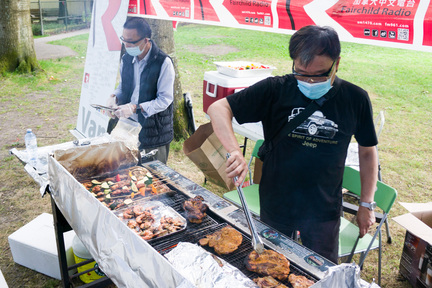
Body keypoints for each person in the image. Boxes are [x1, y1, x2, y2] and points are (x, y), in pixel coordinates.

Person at [207, 25, 378, 264]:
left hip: (323, 210)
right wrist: (235, 150)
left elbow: (368, 151)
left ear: (336, 64)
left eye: (318, 75)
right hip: (276, 203)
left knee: (320, 272)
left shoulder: (355, 98)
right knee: (269, 266)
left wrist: (366, 203)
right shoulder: (275, 89)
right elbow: (218, 108)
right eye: (300, 72)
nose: (308, 81)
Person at [107, 17, 175, 164]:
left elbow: (165, 99)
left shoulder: (163, 62)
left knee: (151, 177)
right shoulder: (126, 59)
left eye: (131, 42)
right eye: (124, 40)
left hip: (153, 132)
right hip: (127, 127)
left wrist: (135, 108)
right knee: (125, 172)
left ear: (146, 40)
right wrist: (114, 97)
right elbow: (123, 86)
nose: (126, 45)